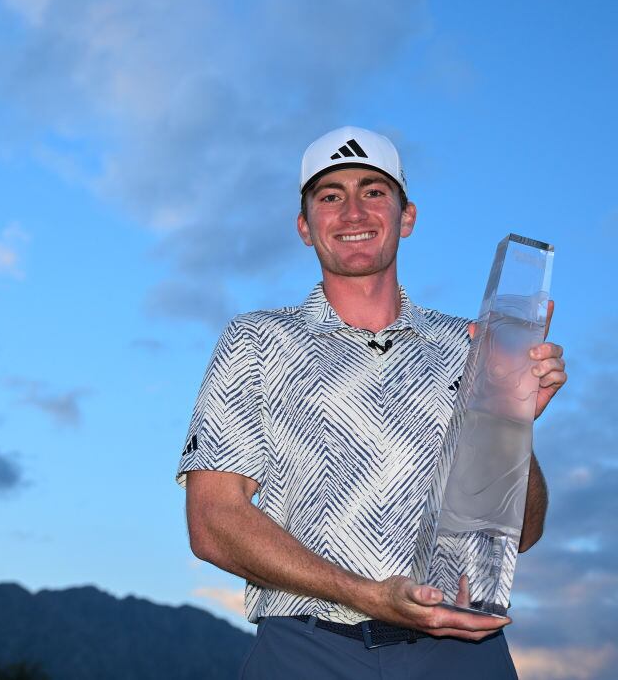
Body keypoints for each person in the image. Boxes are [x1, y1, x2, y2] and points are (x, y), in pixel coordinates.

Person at [177, 126, 567, 678]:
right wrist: (367, 595)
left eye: (373, 191)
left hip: (459, 654)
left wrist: (508, 425)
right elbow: (213, 521)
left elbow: (522, 535)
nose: (353, 211)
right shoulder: (257, 341)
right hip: (308, 651)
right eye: (330, 196)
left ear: (407, 217)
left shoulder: (472, 347)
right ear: (305, 227)